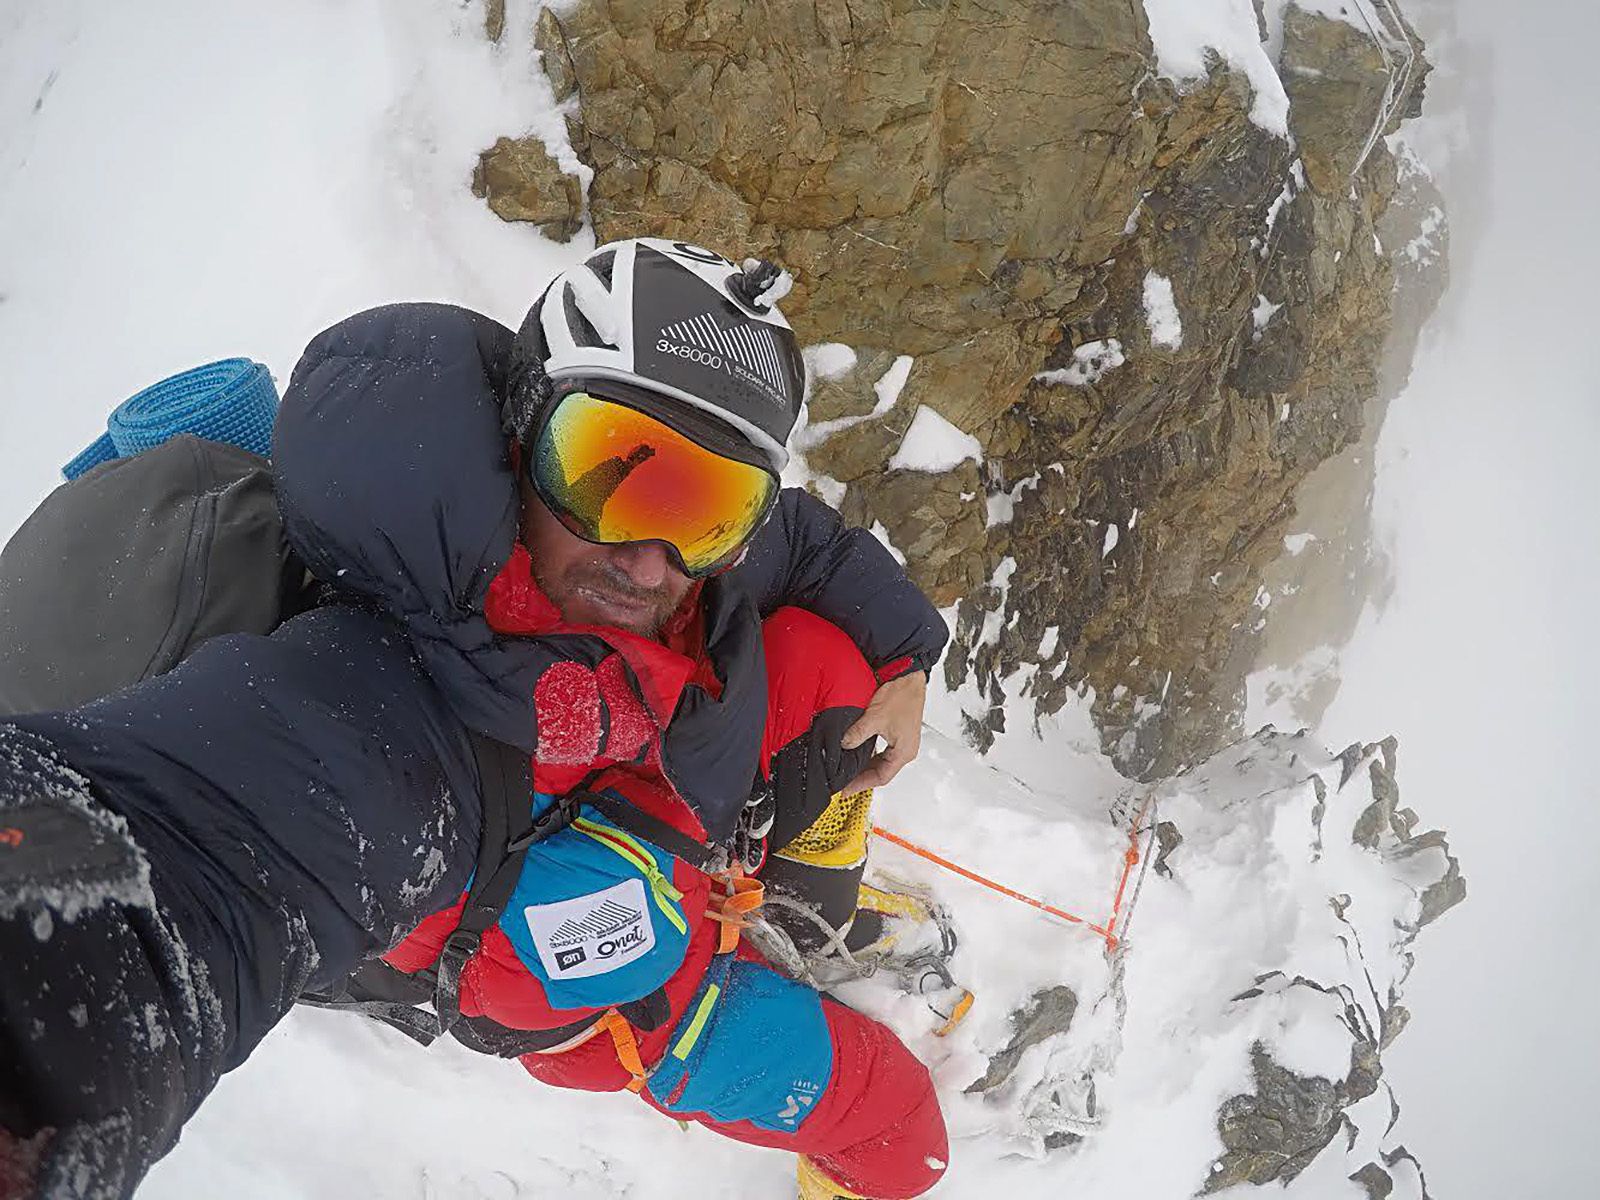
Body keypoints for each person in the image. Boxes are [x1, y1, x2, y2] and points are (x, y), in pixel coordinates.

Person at [0, 238, 950, 1200]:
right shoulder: (381, 700)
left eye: (709, 507)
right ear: (520, 433)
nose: (650, 561)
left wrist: (909, 659)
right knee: (875, 1112)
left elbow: (806, 543)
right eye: (610, 472)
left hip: (649, 802)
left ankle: (808, 922)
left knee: (832, 671)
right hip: (552, 946)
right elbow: (191, 854)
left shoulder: (679, 565)